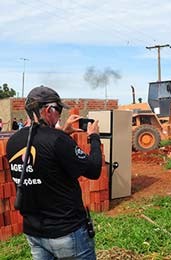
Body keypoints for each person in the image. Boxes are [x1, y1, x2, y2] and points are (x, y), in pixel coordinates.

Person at [6, 86, 102, 259]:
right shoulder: (57, 140)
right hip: (66, 233)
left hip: (34, 233)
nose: (59, 115)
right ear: (49, 109)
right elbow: (94, 170)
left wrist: (64, 133)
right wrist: (94, 137)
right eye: (58, 110)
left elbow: (44, 155)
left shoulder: (13, 141)